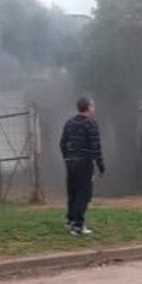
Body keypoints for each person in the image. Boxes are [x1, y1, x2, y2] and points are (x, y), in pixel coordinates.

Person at [60, 96, 105, 236]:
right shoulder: (91, 124)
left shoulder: (69, 123)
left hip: (71, 162)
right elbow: (95, 147)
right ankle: (78, 226)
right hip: (84, 162)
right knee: (84, 194)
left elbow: (62, 143)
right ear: (89, 107)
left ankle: (71, 221)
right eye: (93, 105)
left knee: (72, 192)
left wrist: (67, 158)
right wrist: (100, 165)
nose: (94, 108)